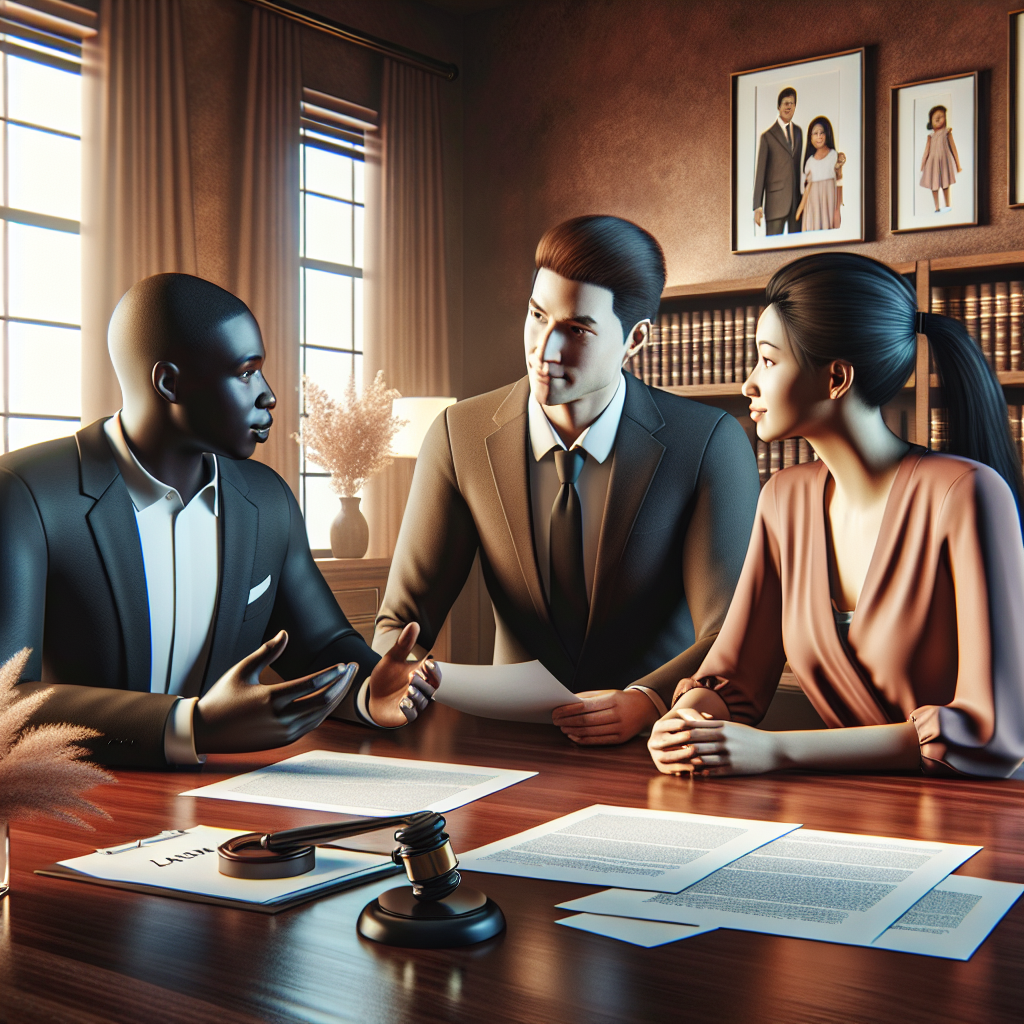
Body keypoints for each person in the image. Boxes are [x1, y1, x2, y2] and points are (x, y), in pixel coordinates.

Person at [0, 274, 439, 768]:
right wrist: (190, 725)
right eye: (247, 373)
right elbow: (5, 702)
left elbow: (321, 643)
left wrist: (367, 691)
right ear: (170, 383)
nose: (269, 396)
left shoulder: (266, 499)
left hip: (219, 799)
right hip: (74, 805)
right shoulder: (26, 495)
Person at [375, 215, 760, 746]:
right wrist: (407, 681)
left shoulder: (709, 442)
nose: (544, 350)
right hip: (503, 746)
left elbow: (729, 633)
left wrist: (646, 700)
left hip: (653, 747)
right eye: (537, 316)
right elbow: (401, 623)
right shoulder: (457, 435)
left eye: (577, 330)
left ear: (636, 339)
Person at [648, 251, 1024, 780]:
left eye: (768, 360)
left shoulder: (964, 494)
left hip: (964, 821)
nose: (749, 385)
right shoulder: (784, 499)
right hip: (841, 811)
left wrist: (776, 751)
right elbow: (731, 682)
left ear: (836, 378)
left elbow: (991, 732)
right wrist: (687, 722)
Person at [753, 87, 803, 235]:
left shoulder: (799, 132)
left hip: (796, 204)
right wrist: (757, 205)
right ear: (778, 106)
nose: (789, 106)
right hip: (775, 204)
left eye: (792, 103)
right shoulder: (767, 136)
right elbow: (760, 172)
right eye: (786, 103)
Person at [796, 115, 845, 231]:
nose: (819, 137)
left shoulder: (834, 156)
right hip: (813, 208)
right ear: (810, 137)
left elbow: (839, 183)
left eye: (821, 133)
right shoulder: (809, 162)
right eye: (815, 133)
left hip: (829, 204)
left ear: (827, 134)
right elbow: (806, 191)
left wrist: (837, 209)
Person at [919, 104, 962, 213]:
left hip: (944, 163)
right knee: (934, 186)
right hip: (932, 164)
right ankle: (937, 207)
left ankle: (947, 205)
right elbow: (926, 152)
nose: (938, 118)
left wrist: (958, 165)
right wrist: (922, 165)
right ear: (931, 121)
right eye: (935, 117)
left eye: (941, 116)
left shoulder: (947, 133)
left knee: (945, 184)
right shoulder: (930, 136)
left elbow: (954, 149)